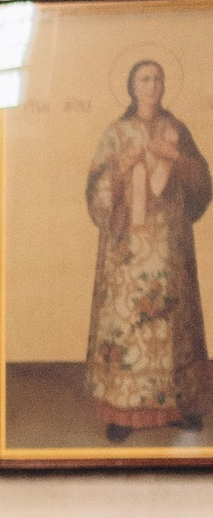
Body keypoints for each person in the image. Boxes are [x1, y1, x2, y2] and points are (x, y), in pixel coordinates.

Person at [82, 57, 213, 440]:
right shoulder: (116, 132)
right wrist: (122, 170)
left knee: (173, 324)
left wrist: (175, 158)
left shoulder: (176, 129)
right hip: (129, 250)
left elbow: (203, 181)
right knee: (128, 324)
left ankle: (178, 407)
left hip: (171, 244)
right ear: (131, 86)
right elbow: (96, 188)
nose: (151, 86)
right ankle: (123, 412)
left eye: (157, 79)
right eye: (144, 79)